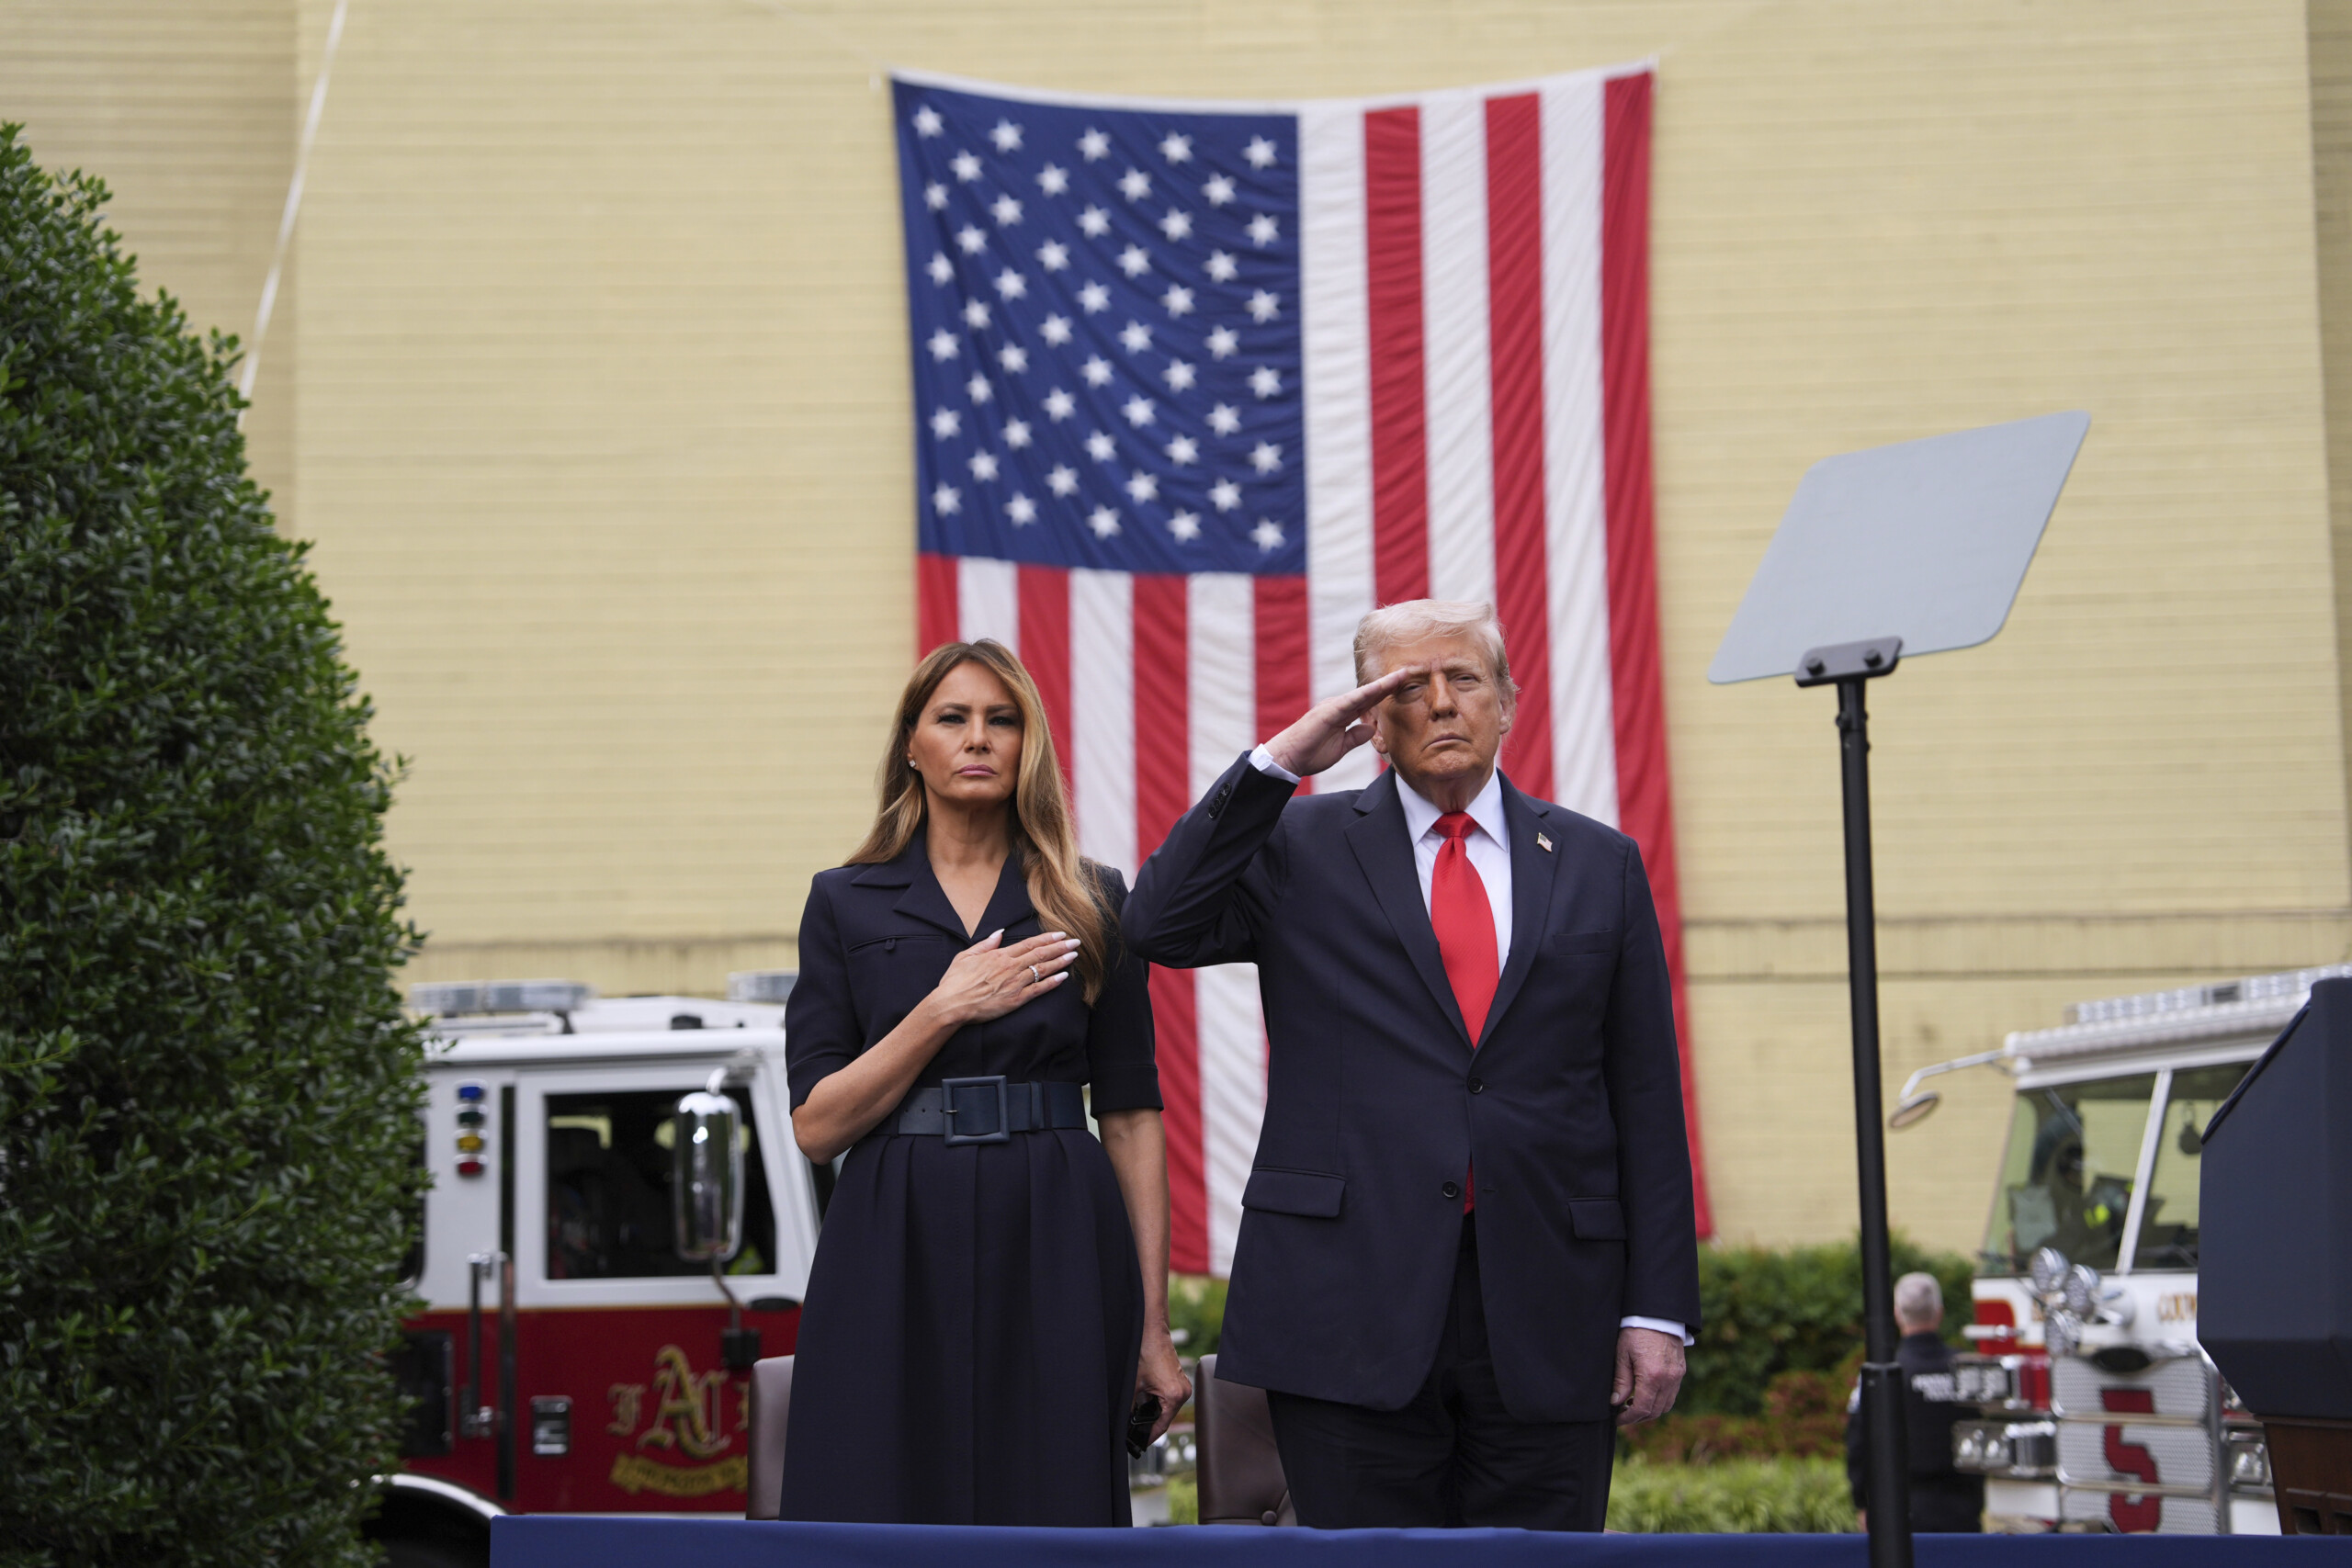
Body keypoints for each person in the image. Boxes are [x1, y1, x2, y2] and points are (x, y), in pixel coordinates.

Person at [1123, 599, 1702, 1530]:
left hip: (1551, 1306)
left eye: (1463, 680)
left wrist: (1659, 1312)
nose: (1439, 704)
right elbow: (1157, 922)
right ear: (1371, 719)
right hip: (1346, 1303)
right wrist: (1280, 764)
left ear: (1507, 703)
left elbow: (1645, 1100)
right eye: (1406, 686)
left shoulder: (1600, 864)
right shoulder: (1295, 846)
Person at [775, 639, 1190, 1526]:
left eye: (1002, 720)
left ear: (1027, 746)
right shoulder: (845, 899)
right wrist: (944, 1006)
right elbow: (816, 1126)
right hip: (894, 1227)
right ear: (912, 747)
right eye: (952, 718)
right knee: (879, 1483)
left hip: (1054, 1219)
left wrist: (1153, 1326)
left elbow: (1129, 1115)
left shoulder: (1090, 899)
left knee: (1052, 1490)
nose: (978, 738)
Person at [1845, 1272, 1984, 1533]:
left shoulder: (1882, 1375)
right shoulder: (1967, 1370)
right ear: (1939, 1312)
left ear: (1897, 1314)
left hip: (1903, 1509)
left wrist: (1861, 1501)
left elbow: (1858, 1441)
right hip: (1964, 1508)